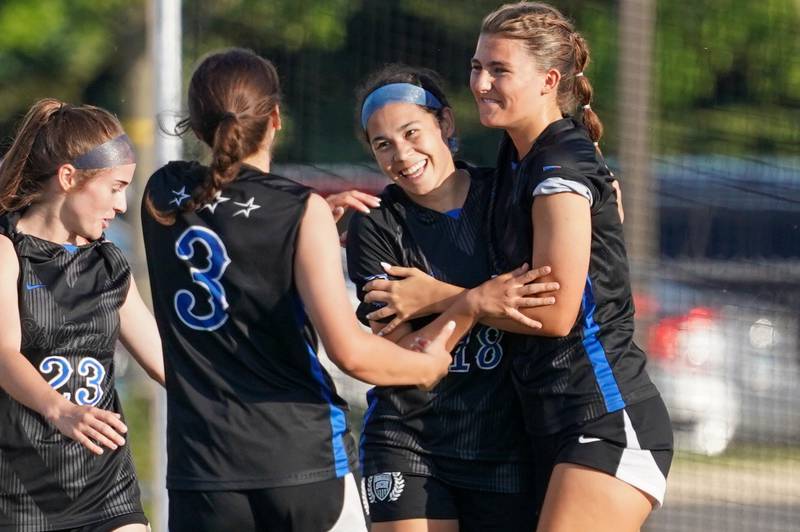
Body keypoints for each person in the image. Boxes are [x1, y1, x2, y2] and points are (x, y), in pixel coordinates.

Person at [365, 3, 674, 531]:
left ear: (549, 80)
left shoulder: (560, 166)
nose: (481, 82)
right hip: (544, 423)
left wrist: (440, 297)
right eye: (476, 66)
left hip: (604, 415)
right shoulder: (516, 156)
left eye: (500, 70)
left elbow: (554, 315)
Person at [140, 48, 466, 532]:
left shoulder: (162, 192)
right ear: (275, 118)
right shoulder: (297, 209)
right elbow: (350, 353)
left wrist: (304, 223)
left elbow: (226, 225)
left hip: (202, 473)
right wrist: (426, 366)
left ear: (198, 123)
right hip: (302, 459)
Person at [347, 64, 559, 532]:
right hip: (409, 439)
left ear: (444, 123)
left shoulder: (506, 198)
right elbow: (405, 356)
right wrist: (473, 304)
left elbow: (546, 313)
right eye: (383, 144)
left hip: (504, 442)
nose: (402, 154)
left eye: (411, 132)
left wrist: (438, 298)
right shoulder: (377, 224)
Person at [0, 98, 165, 531]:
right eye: (115, 187)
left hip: (106, 489)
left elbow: (169, 365)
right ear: (68, 177)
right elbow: (3, 354)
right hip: (19, 495)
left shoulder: (108, 263)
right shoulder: (7, 252)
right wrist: (60, 409)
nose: (123, 204)